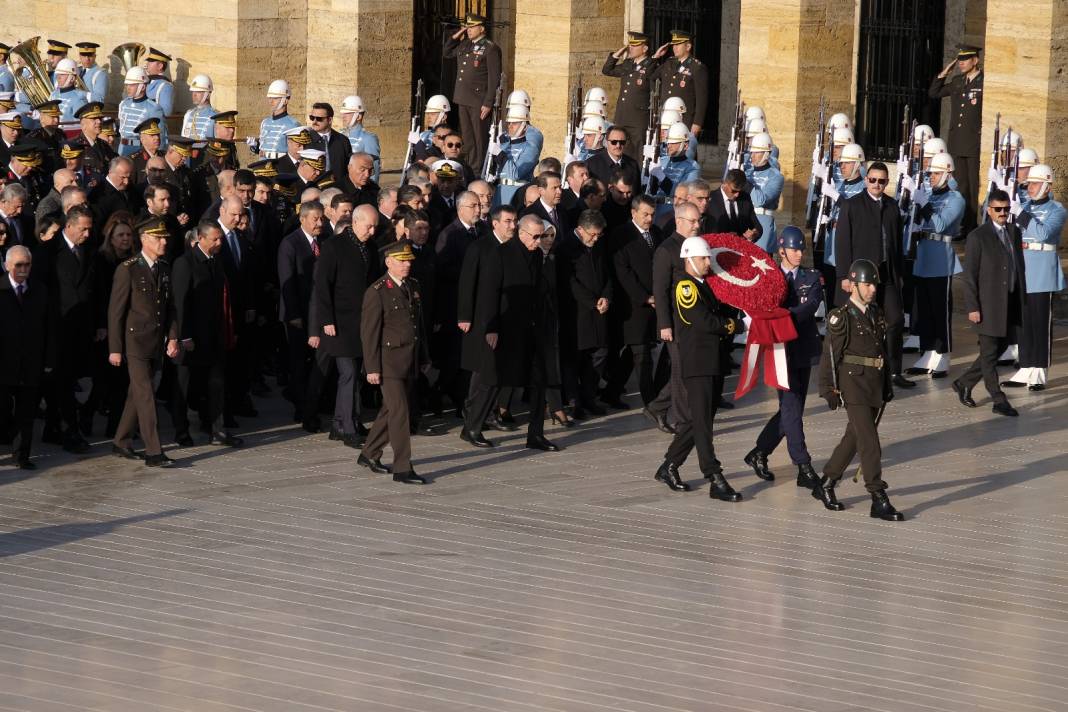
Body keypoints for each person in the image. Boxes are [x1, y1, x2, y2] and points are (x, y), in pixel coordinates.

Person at [653, 236, 743, 499]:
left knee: (700, 420)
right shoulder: (686, 287)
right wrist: (735, 326)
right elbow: (703, 321)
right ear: (689, 259)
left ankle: (669, 465)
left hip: (711, 361)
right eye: (703, 258)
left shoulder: (704, 285)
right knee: (703, 423)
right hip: (698, 362)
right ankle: (714, 477)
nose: (708, 263)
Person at [815, 258, 904, 521]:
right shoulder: (840, 317)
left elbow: (881, 353)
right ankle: (877, 496)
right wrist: (828, 389)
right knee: (869, 442)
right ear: (853, 286)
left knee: (853, 438)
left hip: (874, 383)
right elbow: (830, 356)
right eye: (867, 285)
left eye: (874, 285)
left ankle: (827, 482)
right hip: (852, 385)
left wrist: (887, 383)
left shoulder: (875, 313)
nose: (872, 289)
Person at [744, 226, 824, 488]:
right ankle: (803, 465)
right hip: (780, 350)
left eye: (801, 249)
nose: (799, 254)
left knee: (793, 409)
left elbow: (810, 306)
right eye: (793, 249)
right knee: (791, 407)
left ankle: (759, 452)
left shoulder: (811, 276)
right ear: (781, 251)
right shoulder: (770, 277)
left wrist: (782, 315)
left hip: (803, 348)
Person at [834, 161, 913, 389]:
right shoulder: (852, 205)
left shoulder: (891, 206)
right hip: (861, 277)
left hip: (887, 274)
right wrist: (844, 276)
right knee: (860, 323)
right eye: (872, 179)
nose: (876, 184)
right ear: (866, 179)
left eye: (881, 181)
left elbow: (897, 243)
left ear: (887, 183)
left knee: (895, 320)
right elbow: (842, 244)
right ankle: (856, 368)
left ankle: (894, 371)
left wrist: (900, 275)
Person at [108, 217, 180, 468]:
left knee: (136, 395)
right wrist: (115, 349)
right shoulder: (127, 268)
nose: (164, 242)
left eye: (165, 238)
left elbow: (170, 307)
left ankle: (121, 440)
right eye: (159, 238)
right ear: (145, 240)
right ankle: (154, 451)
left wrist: (172, 337)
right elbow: (115, 312)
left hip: (156, 341)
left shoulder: (164, 267)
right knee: (146, 394)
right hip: (135, 341)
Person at [358, 240, 430, 484]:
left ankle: (369, 453)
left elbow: (417, 327)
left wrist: (424, 357)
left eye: (409, 260)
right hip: (387, 363)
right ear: (389, 262)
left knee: (390, 411)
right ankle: (402, 468)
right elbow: (369, 334)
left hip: (408, 359)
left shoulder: (413, 286)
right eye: (401, 261)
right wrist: (372, 368)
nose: (407, 264)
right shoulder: (377, 291)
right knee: (400, 412)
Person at [952, 189, 1027, 417]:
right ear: (989, 210)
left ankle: (964, 382)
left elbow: (1018, 266)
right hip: (988, 304)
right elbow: (970, 276)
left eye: (1006, 209)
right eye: (998, 209)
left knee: (998, 349)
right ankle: (998, 399)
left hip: (1010, 301)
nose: (1002, 213)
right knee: (989, 352)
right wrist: (973, 307)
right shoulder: (978, 236)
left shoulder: (1014, 232)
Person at [171, 220, 242, 447]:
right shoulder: (185, 263)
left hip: (215, 335)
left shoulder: (216, 261)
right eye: (215, 239)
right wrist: (184, 336)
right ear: (200, 239)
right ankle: (181, 430)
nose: (220, 242)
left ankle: (217, 430)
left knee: (216, 384)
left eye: (220, 238)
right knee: (184, 385)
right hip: (192, 337)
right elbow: (180, 303)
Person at [314, 203, 380, 447]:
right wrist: (326, 319)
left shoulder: (370, 247)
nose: (372, 231)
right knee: (348, 374)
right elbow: (322, 285)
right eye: (369, 226)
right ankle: (346, 427)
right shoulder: (334, 246)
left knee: (358, 374)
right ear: (355, 222)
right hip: (339, 323)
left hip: (362, 323)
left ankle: (345, 420)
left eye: (375, 227)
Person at [1001, 164, 1065, 391]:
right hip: (1022, 268)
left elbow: (1045, 234)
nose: (1030, 188)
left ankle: (1039, 370)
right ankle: (1026, 366)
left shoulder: (1057, 209)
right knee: (1023, 322)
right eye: (1029, 184)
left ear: (1047, 186)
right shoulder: (1023, 206)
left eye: (1036, 183)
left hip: (1042, 270)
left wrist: (1021, 215)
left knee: (1039, 323)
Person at [41, 204, 96, 454]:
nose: (87, 234)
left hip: (81, 327)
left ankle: (54, 428)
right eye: (83, 229)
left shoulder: (88, 251)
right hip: (58, 327)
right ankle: (68, 431)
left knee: (69, 380)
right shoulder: (49, 252)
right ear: (69, 226)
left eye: (89, 229)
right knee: (61, 382)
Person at [905, 151, 964, 378]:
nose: (931, 177)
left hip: (941, 258)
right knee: (925, 310)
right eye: (930, 173)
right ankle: (928, 351)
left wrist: (924, 204)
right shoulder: (928, 195)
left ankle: (943, 353)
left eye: (936, 173)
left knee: (941, 310)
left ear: (948, 174)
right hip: (923, 256)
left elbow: (939, 225)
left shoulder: (955, 198)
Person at [0, 245, 53, 470]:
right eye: (18, 265)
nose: (23, 269)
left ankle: (22, 455)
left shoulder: (40, 290)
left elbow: (49, 327)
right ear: (7, 266)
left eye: (27, 265)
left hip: (31, 362)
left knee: (26, 412)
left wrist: (49, 360)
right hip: (3, 363)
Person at [606, 194, 661, 408]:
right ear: (633, 212)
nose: (649, 219)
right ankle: (652, 403)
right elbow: (623, 271)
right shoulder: (621, 234)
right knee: (642, 354)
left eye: (652, 214)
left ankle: (611, 392)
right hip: (632, 305)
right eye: (645, 214)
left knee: (633, 352)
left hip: (653, 304)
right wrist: (644, 297)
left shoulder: (656, 233)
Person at [559, 209, 613, 418]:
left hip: (599, 310)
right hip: (577, 313)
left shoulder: (598, 245)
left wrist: (606, 297)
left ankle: (589, 397)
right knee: (575, 359)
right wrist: (593, 302)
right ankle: (574, 401)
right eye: (592, 234)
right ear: (580, 229)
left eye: (599, 234)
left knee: (599, 353)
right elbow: (570, 282)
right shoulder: (566, 248)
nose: (595, 238)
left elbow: (607, 274)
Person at [278, 201, 326, 428]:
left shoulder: (324, 242)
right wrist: (295, 316)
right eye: (315, 219)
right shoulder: (291, 244)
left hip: (319, 313)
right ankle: (301, 407)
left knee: (316, 363)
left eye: (321, 218)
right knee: (299, 363)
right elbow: (287, 282)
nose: (319, 223)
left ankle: (312, 405)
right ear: (303, 219)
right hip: (298, 315)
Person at [929, 44, 983, 232]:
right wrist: (945, 72)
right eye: (959, 60)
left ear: (975, 61)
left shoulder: (983, 82)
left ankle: (971, 225)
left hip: (973, 142)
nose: (961, 63)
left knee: (973, 186)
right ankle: (961, 224)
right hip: (957, 141)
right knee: (960, 186)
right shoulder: (958, 82)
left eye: (965, 59)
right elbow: (934, 93)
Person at [444, 12, 502, 171]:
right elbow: (447, 52)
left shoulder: (490, 48)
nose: (469, 29)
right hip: (463, 97)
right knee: (468, 137)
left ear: (482, 28)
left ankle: (479, 170)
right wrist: (458, 33)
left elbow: (494, 78)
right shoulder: (465, 44)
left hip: (478, 100)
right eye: (467, 26)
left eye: (472, 26)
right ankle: (469, 167)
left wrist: (489, 102)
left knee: (479, 138)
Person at [602, 31, 654, 161]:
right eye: (630, 45)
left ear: (644, 48)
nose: (631, 47)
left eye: (635, 45)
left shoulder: (651, 66)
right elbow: (607, 70)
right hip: (622, 116)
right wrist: (617, 54)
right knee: (619, 149)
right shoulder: (628, 64)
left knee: (637, 153)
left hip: (638, 118)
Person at [651, 30, 709, 136]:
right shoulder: (669, 63)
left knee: (684, 150)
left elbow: (702, 99)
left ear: (688, 47)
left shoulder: (697, 67)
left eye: (678, 44)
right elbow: (651, 76)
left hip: (684, 119)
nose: (674, 47)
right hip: (665, 118)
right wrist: (656, 57)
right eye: (674, 45)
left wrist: (697, 123)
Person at [745, 132, 785, 253]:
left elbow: (760, 200)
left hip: (763, 220)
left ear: (766, 153)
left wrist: (745, 182)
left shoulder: (776, 176)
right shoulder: (747, 171)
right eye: (752, 152)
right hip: (744, 218)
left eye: (756, 152)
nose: (752, 155)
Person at [117, 67, 167, 158]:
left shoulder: (154, 108)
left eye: (132, 85)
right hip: (123, 148)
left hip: (141, 150)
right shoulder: (124, 104)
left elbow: (161, 134)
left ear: (142, 86)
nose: (128, 88)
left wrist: (158, 155)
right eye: (127, 85)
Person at [705, 168, 761, 240]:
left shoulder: (744, 198)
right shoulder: (710, 199)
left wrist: (754, 234)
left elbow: (757, 227)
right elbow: (704, 230)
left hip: (741, 248)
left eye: (740, 191)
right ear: (725, 184)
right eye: (734, 191)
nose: (737, 195)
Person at [254, 80, 301, 159]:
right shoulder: (265, 122)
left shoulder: (293, 125)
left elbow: (296, 154)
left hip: (281, 167)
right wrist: (255, 146)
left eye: (275, 98)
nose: (271, 101)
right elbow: (263, 149)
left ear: (285, 100)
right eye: (270, 98)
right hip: (262, 167)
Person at [339, 95, 381, 183]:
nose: (343, 116)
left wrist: (372, 191)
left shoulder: (369, 138)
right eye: (343, 113)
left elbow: (374, 168)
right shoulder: (340, 135)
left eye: (348, 113)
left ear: (358, 116)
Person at [587, 125, 641, 191]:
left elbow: (637, 194)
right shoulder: (591, 165)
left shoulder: (633, 165)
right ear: (606, 142)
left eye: (622, 142)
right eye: (614, 142)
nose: (618, 146)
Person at [181, 74, 216, 139]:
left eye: (198, 92)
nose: (194, 95)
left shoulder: (215, 116)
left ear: (207, 95)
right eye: (193, 92)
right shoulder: (189, 114)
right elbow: (184, 137)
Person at [143, 48, 175, 116]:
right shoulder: (147, 81)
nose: (147, 64)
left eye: (150, 62)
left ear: (160, 66)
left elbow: (166, 112)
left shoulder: (166, 86)